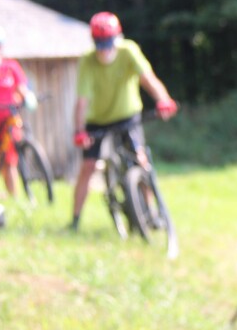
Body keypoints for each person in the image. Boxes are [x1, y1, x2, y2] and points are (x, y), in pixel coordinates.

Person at [69, 12, 177, 231]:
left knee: (140, 161)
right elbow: (82, 101)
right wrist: (80, 131)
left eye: (108, 42)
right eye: (100, 43)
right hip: (97, 119)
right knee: (88, 166)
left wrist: (163, 100)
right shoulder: (88, 61)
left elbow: (148, 79)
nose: (105, 49)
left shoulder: (129, 51)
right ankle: (75, 220)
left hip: (127, 115)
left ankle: (151, 212)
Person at [0, 23, 38, 198]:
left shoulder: (10, 66)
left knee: (10, 159)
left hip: (8, 116)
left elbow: (21, 86)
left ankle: (14, 198)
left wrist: (27, 96)